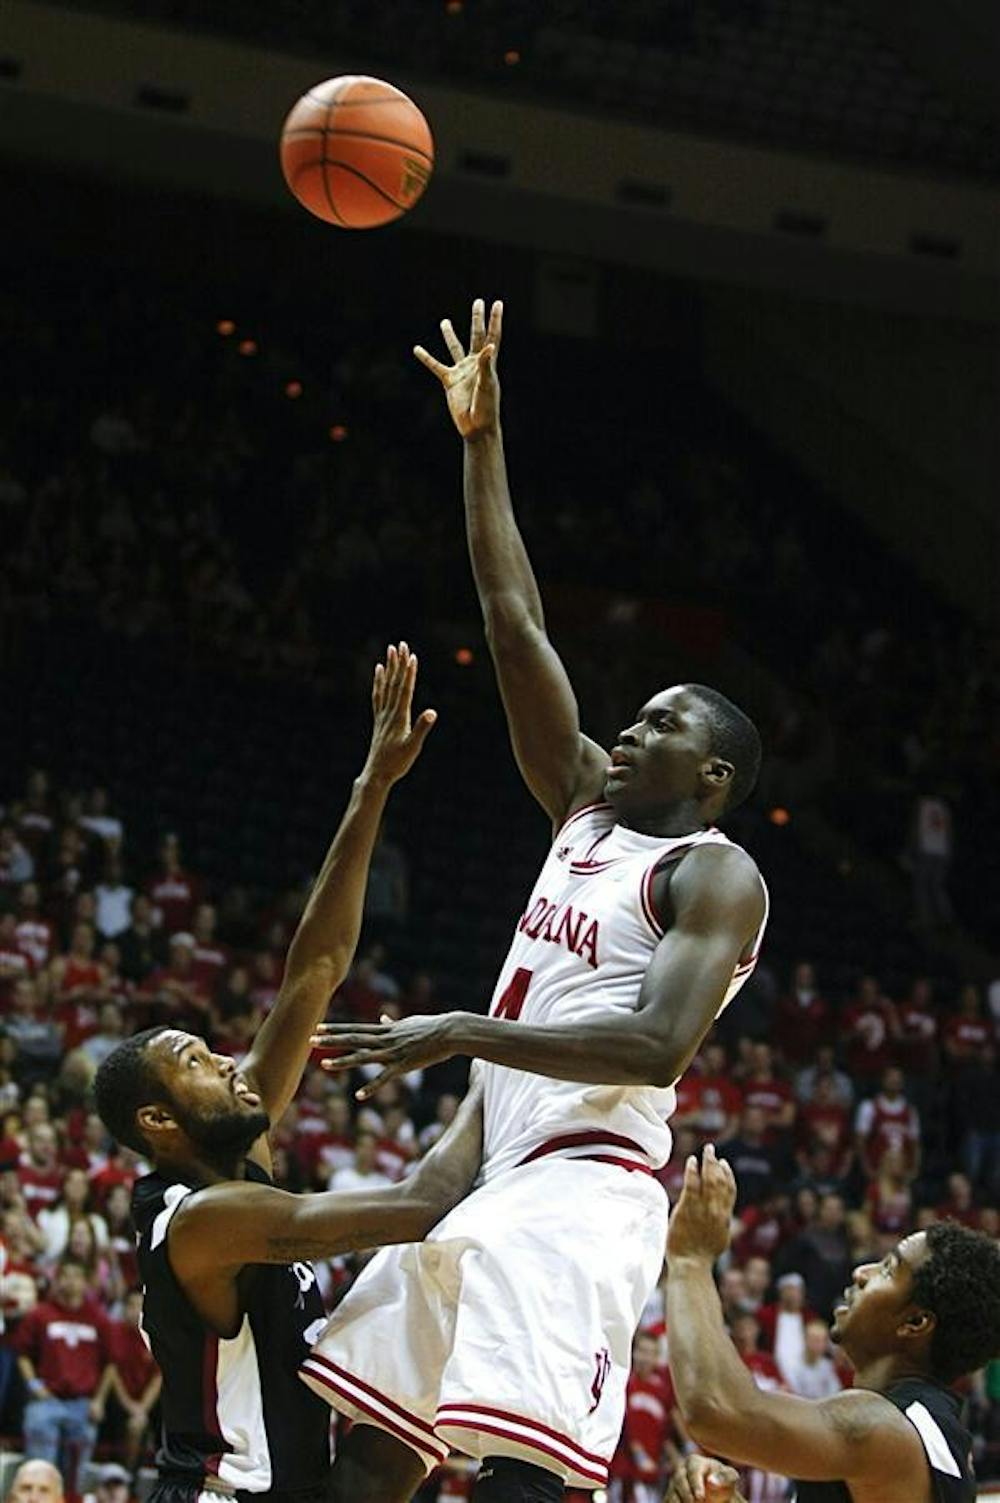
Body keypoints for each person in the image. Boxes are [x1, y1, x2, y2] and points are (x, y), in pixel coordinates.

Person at [304, 300, 769, 1503]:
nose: (628, 725)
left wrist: (460, 1029)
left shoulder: (711, 872)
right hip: (499, 1161)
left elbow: (659, 1046)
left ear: (711, 778)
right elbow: (514, 619)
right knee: (369, 1441)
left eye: (661, 723)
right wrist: (480, 442)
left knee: (515, 1467)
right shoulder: (583, 807)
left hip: (584, 1182)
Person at [92, 646, 484, 1503]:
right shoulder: (204, 1219)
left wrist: (371, 785)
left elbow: (315, 970)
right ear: (160, 1122)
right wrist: (495, 1070)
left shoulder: (230, 1150)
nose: (228, 1061)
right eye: (196, 1062)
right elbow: (416, 1208)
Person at [664, 1143, 1000, 1502]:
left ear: (915, 1322)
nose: (862, 1272)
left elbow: (716, 1410)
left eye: (888, 1269)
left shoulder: (882, 1428)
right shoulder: (926, 1435)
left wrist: (691, 1259)